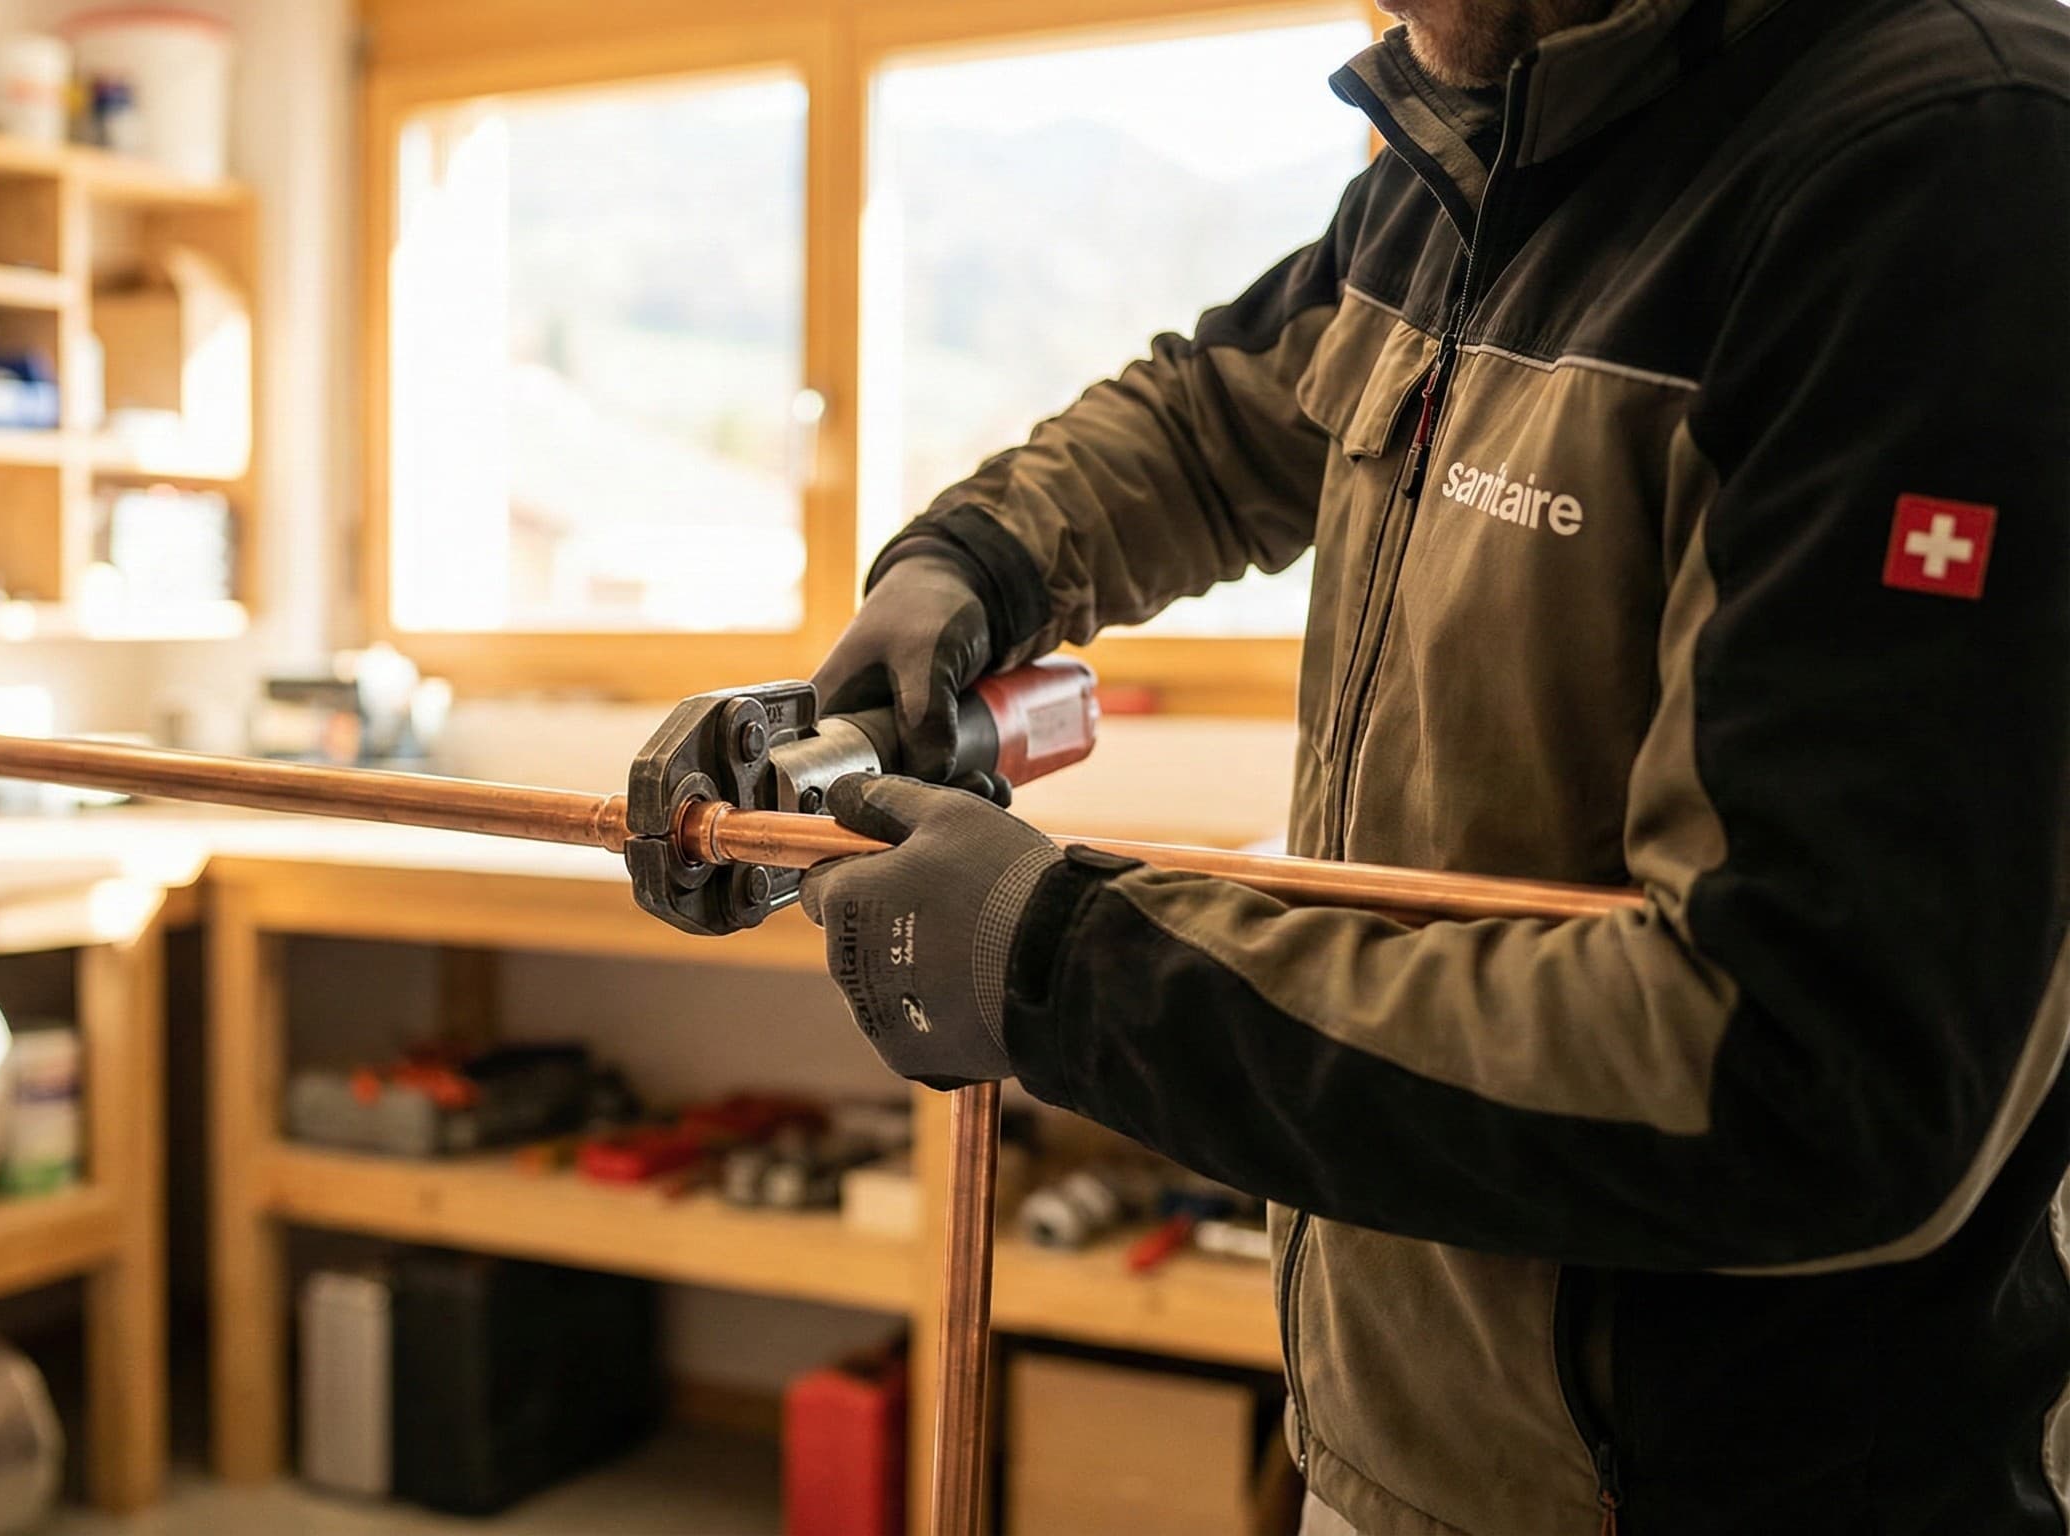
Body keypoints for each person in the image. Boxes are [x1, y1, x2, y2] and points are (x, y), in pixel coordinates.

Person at [794, 0, 2070, 1531]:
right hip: (1400, 1443)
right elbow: (1219, 415)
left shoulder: (1943, 171)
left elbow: (1794, 1071)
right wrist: (974, 559)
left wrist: (1066, 966)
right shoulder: (1486, 148)